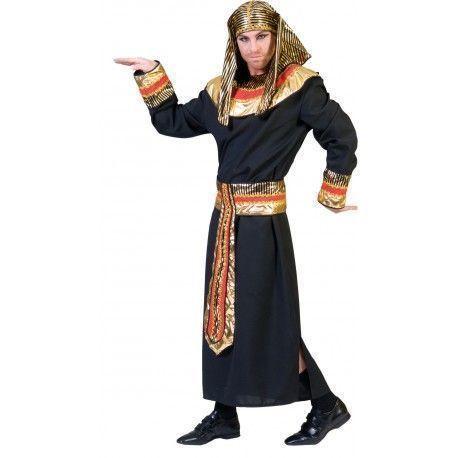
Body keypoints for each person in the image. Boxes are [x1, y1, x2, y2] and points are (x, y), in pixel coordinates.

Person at [114, 0, 357, 446]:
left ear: (278, 37)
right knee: (220, 314)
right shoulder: (221, 91)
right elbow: (174, 121)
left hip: (264, 225)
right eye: (244, 39)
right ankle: (224, 414)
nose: (253, 47)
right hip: (223, 219)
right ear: (235, 43)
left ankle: (326, 405)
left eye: (261, 36)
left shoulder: (299, 87)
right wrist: (152, 74)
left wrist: (332, 193)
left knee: (268, 317)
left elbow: (341, 135)